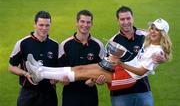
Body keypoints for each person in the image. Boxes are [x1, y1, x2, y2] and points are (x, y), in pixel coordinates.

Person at [25, 18, 172, 92]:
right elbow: (139, 30)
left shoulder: (157, 52)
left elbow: (141, 72)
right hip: (122, 69)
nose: (152, 31)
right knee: (81, 68)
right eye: (152, 28)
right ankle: (40, 70)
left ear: (163, 33)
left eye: (157, 30)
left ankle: (41, 74)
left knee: (83, 74)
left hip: (127, 78)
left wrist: (120, 63)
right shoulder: (149, 37)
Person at [9, 11, 58, 106]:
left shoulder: (55, 45)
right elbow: (11, 67)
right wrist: (26, 73)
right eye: (41, 25)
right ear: (35, 24)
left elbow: (57, 69)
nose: (44, 28)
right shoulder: (23, 43)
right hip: (28, 94)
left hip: (49, 94)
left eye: (47, 25)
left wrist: (56, 79)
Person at [57, 10, 105, 106]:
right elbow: (60, 70)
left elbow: (102, 70)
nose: (85, 25)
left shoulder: (98, 45)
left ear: (91, 24)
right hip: (70, 95)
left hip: (90, 95)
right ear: (77, 23)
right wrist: (62, 80)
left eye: (88, 22)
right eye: (82, 21)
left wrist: (95, 80)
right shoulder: (65, 45)